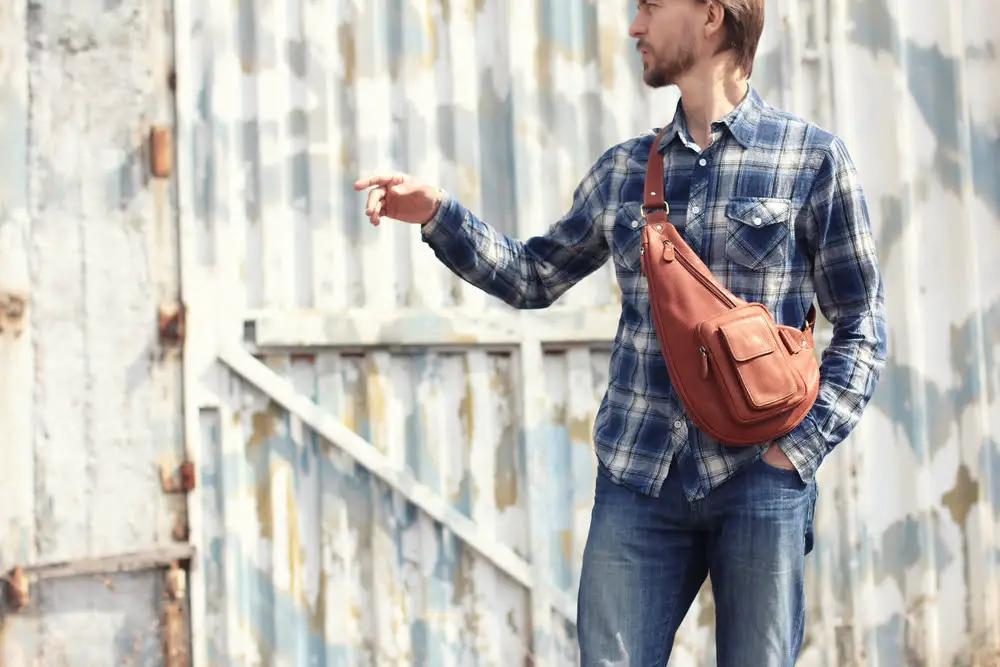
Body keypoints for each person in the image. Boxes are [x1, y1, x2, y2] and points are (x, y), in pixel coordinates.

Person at [354, 0, 887, 664]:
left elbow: (862, 326)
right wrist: (438, 215)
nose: (634, 26)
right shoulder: (624, 173)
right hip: (640, 476)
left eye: (651, 7)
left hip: (761, 475)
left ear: (712, 15)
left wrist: (797, 454)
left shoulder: (811, 160)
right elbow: (532, 275)